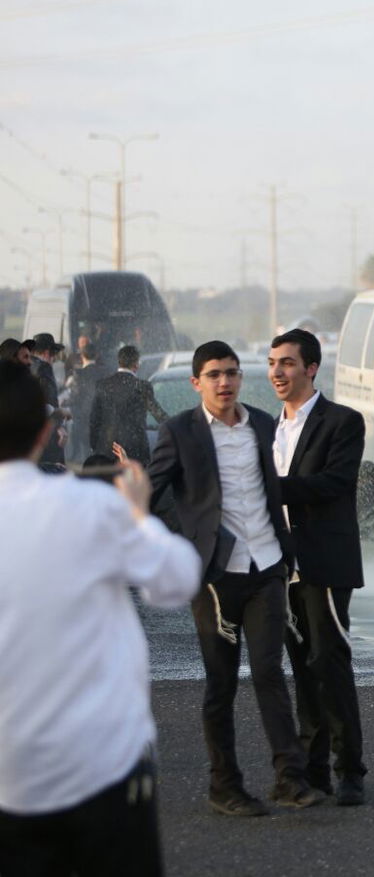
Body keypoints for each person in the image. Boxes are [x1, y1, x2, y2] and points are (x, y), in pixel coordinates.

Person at [0, 360, 200, 876]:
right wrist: (138, 512)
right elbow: (177, 579)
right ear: (47, 431)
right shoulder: (91, 507)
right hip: (103, 768)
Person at [146, 341, 327, 817]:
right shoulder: (179, 431)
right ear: (196, 383)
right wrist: (187, 539)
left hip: (266, 565)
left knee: (270, 672)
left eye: (231, 373)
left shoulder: (262, 425)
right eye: (213, 375)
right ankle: (224, 785)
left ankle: (290, 778)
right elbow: (150, 493)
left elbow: (273, 489)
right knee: (221, 682)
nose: (224, 382)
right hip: (215, 576)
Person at [267, 329, 368, 807]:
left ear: (311, 368)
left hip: (324, 564)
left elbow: (334, 483)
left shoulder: (343, 422)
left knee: (329, 664)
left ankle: (350, 770)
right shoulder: (269, 428)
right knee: (302, 670)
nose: (277, 373)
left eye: (287, 363)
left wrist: (269, 487)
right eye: (272, 364)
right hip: (279, 565)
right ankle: (314, 772)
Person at [91, 345, 167, 466]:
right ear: (136, 364)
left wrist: (95, 446)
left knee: (108, 484)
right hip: (135, 449)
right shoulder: (142, 386)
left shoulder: (103, 385)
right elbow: (158, 414)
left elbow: (94, 419)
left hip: (107, 449)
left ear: (119, 362)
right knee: (134, 483)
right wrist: (178, 426)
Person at [64, 343, 104, 463]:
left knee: (86, 454)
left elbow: (76, 396)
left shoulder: (79, 374)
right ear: (96, 355)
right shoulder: (105, 372)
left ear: (82, 356)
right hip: (102, 419)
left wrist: (65, 402)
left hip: (84, 419)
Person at [30, 332, 66, 465]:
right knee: (52, 471)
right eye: (53, 355)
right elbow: (50, 402)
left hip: (26, 435)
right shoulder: (44, 368)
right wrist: (59, 427)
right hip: (46, 433)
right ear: (46, 353)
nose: (53, 359)